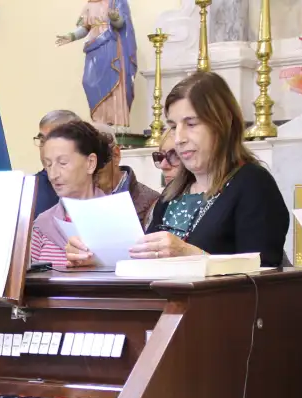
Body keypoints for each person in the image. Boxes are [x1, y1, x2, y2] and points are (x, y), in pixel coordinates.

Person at [67, 71, 289, 268]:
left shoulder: (252, 183)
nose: (179, 138)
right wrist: (97, 257)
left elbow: (264, 271)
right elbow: (145, 259)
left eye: (191, 124)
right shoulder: (174, 192)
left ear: (224, 124)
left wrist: (191, 255)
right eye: (173, 127)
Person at [28, 120, 112, 269]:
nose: (53, 175)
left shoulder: (117, 217)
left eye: (63, 163)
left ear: (90, 163)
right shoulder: (42, 224)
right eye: (48, 165)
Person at [55, 1, 137, 129]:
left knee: (114, 80)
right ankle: (100, 122)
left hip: (111, 46)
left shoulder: (116, 1)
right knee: (88, 81)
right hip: (93, 48)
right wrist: (71, 36)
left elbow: (121, 24)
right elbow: (84, 28)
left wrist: (115, 18)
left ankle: (115, 122)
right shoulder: (90, 5)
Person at [96, 127, 160, 227]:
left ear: (116, 155)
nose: (89, 182)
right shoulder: (77, 197)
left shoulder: (151, 201)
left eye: (97, 175)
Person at [34, 110, 80, 217]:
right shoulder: (29, 190)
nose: (45, 148)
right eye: (42, 140)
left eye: (52, 141)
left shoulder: (92, 186)